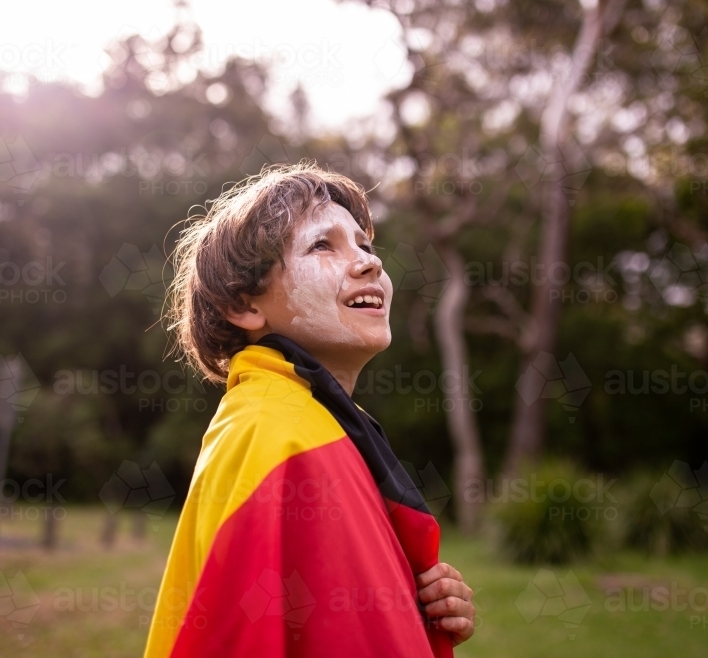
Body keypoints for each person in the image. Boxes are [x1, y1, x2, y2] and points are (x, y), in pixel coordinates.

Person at [145, 162, 475, 657]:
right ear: (244, 305)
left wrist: (417, 609)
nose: (370, 264)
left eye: (365, 245)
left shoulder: (329, 425)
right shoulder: (270, 435)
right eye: (323, 245)